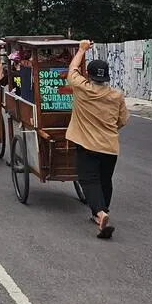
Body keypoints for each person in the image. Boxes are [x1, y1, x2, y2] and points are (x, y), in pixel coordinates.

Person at [66, 40, 128, 239]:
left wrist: (82, 49)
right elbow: (122, 120)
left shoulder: (82, 88)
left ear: (89, 76)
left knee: (89, 180)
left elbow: (72, 69)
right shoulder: (116, 95)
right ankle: (101, 213)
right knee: (105, 180)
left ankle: (100, 214)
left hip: (87, 145)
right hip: (110, 146)